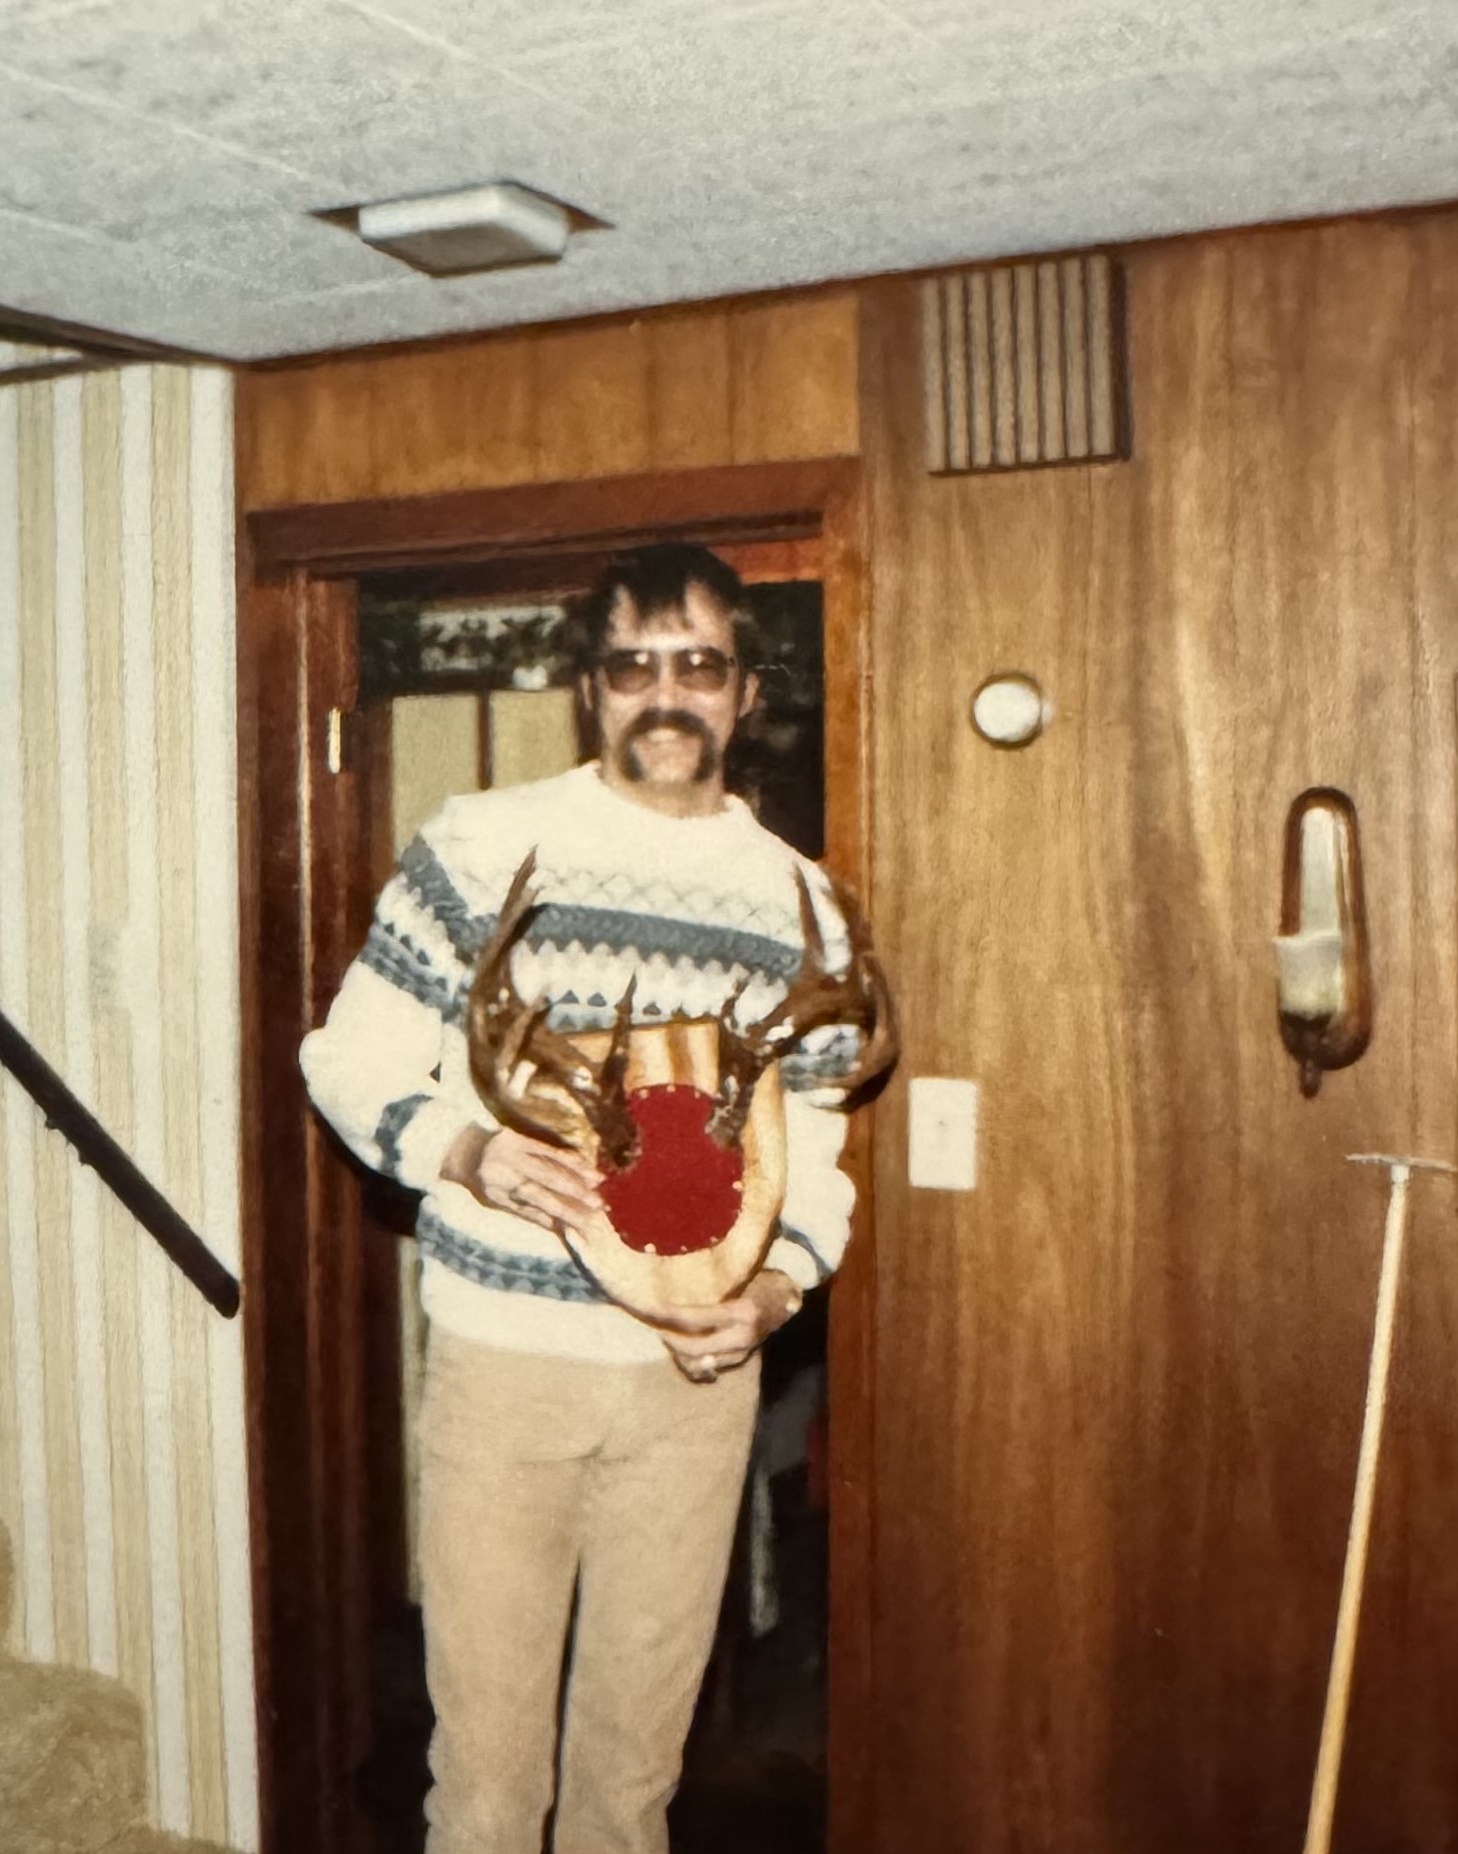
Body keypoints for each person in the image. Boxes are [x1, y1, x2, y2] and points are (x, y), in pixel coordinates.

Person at [298, 543, 876, 1854]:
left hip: (693, 1383)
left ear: (745, 693)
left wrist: (779, 1289)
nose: (665, 694)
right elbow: (347, 1056)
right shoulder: (482, 847)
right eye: (633, 666)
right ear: (590, 688)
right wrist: (463, 1150)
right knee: (488, 1790)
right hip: (505, 1365)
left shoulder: (805, 909)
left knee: (630, 1791)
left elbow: (815, 1135)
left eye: (699, 666)